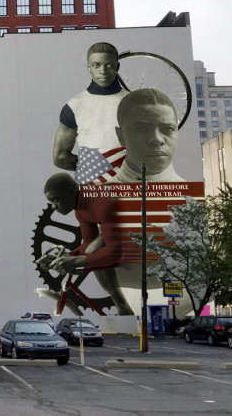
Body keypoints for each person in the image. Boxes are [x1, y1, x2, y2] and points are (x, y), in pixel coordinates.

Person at [39, 172, 133, 315]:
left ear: (70, 191)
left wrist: (75, 261)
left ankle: (123, 308)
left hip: (139, 229)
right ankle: (122, 306)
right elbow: (87, 244)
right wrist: (64, 258)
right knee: (91, 249)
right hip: (119, 229)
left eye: (55, 200)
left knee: (92, 251)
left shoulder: (101, 202)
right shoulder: (80, 210)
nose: (53, 206)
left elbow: (114, 251)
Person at [53, 42, 129, 184]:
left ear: (117, 67)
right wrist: (95, 168)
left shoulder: (136, 103)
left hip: (128, 188)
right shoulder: (74, 106)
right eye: (96, 65)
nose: (103, 71)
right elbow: (60, 158)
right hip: (92, 188)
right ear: (88, 67)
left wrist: (97, 166)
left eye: (109, 65)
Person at [110, 88, 184, 183]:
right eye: (142, 129)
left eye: (168, 129)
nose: (157, 139)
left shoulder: (192, 195)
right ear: (121, 136)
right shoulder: (100, 195)